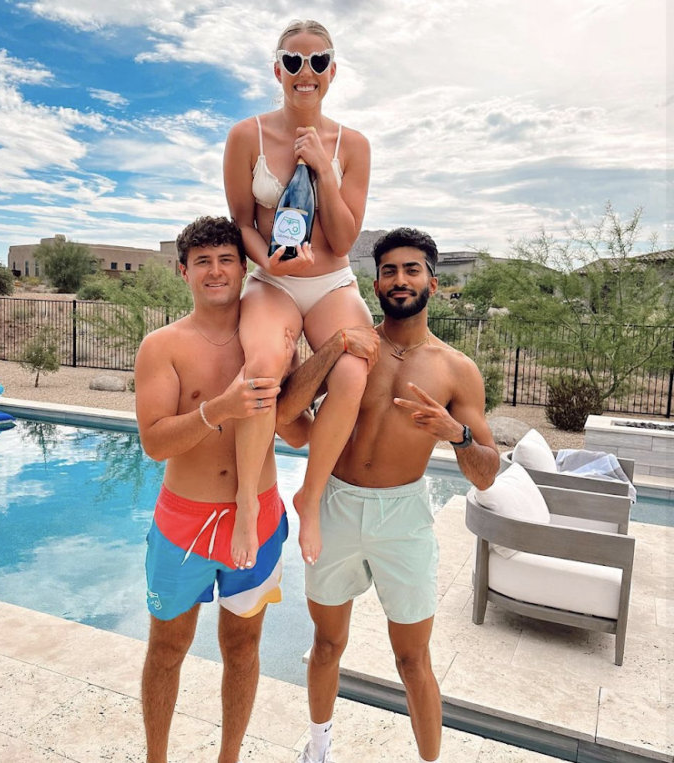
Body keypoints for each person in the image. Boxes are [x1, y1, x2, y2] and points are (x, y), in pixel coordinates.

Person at [276, 228, 500, 763]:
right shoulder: (355, 349)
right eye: (390, 271)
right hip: (336, 504)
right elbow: (287, 414)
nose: (400, 280)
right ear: (375, 283)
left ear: (433, 282)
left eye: (412, 270)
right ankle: (318, 749)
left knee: (413, 660)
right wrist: (331, 347)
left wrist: (457, 434)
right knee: (327, 645)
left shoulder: (455, 370)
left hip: (404, 517)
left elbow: (487, 474)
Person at [135, 216, 313, 763]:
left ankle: (229, 757)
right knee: (167, 648)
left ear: (244, 268)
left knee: (243, 647)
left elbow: (300, 432)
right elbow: (155, 443)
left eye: (226, 259)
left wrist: (315, 362)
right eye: (203, 261)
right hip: (183, 522)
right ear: (182, 270)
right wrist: (219, 408)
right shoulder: (163, 346)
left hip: (256, 517)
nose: (216, 271)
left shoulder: (268, 341)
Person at [223, 19, 372, 572]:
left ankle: (309, 497)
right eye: (292, 61)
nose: (303, 73)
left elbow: (346, 238)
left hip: (331, 280)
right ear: (277, 69)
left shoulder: (353, 144)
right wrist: (271, 261)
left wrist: (322, 171)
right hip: (273, 278)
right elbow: (241, 221)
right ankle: (245, 501)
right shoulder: (247, 136)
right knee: (262, 365)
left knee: (354, 373)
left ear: (332, 71)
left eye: (316, 62)